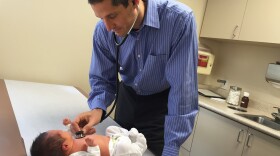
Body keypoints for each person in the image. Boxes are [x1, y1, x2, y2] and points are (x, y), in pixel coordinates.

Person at [71, 0, 198, 155]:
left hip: (160, 107)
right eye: (101, 18)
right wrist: (98, 109)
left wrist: (171, 148)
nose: (108, 27)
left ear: (135, 2)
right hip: (127, 98)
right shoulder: (102, 31)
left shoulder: (179, 20)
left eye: (112, 15)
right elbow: (102, 79)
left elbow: (182, 90)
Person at [30, 119, 147, 156]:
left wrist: (71, 126)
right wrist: (92, 147)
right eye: (61, 132)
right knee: (124, 147)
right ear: (65, 146)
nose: (64, 131)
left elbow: (79, 137)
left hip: (111, 139)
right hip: (114, 150)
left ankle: (127, 135)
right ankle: (138, 147)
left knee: (110, 129)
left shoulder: (71, 143)